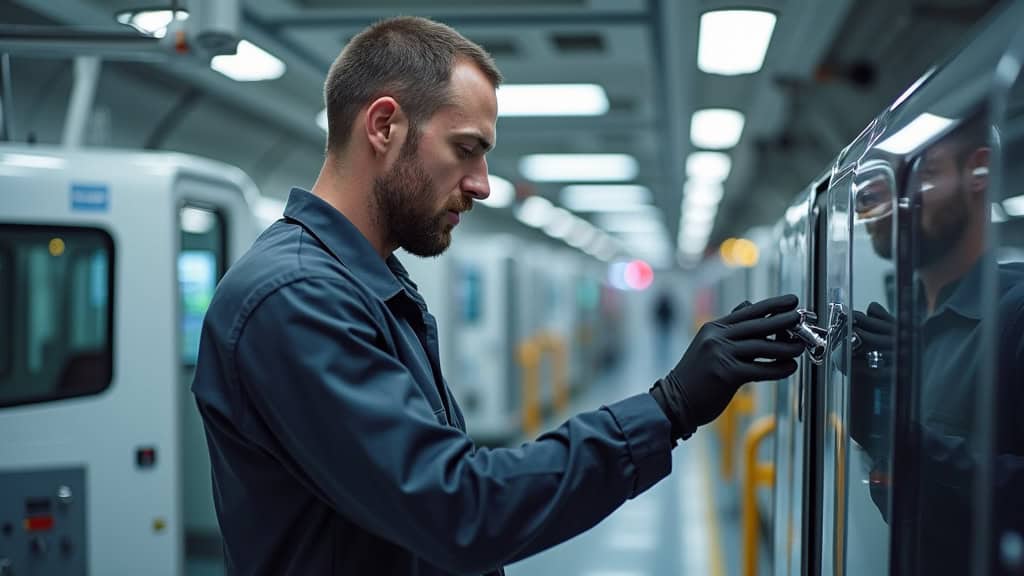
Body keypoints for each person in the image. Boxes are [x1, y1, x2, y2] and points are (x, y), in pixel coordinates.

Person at [190, 16, 804, 575]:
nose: (483, 185)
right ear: (383, 126)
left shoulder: (365, 284)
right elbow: (457, 508)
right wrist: (668, 409)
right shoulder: (296, 299)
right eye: (466, 149)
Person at [851, 116, 1024, 575]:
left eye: (922, 175)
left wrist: (902, 440)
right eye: (879, 188)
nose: (892, 205)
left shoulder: (1017, 315)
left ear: (978, 174)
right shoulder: (907, 321)